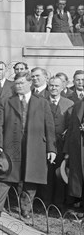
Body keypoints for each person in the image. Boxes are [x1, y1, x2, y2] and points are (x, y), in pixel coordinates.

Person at [0, 73, 56, 219]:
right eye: (16, 83)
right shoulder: (7, 101)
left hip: (35, 146)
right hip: (11, 145)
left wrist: (51, 149)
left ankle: (25, 209)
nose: (18, 86)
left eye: (21, 83)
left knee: (31, 177)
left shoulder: (42, 102)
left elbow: (49, 127)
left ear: (30, 83)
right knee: (5, 176)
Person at [41, 76, 74, 208]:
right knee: (46, 172)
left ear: (62, 88)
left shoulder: (69, 103)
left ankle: (59, 202)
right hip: (44, 142)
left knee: (59, 172)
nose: (54, 88)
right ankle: (45, 201)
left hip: (61, 143)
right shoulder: (42, 102)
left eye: (56, 86)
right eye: (51, 85)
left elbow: (71, 125)